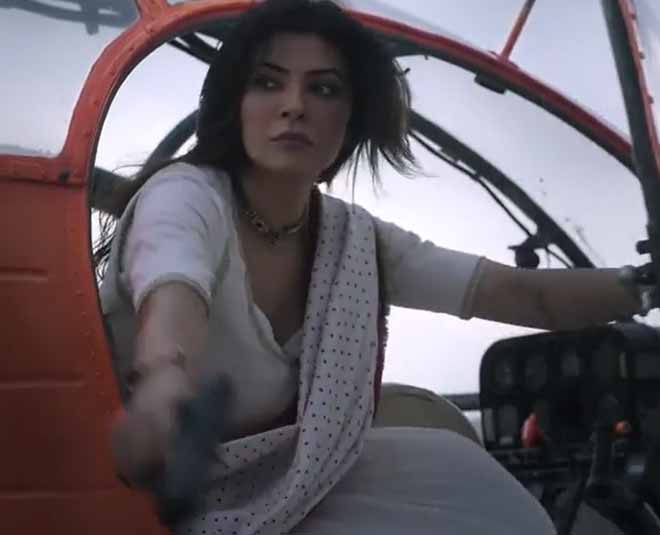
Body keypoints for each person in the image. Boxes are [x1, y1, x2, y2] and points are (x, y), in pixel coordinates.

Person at [97, 1, 647, 533]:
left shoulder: (352, 239)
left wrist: (644, 286)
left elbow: (521, 294)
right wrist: (163, 386)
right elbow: (174, 286)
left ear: (352, 117)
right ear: (232, 102)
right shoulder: (187, 196)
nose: (294, 105)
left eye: (324, 89)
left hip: (288, 487)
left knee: (475, 487)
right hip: (133, 488)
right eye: (267, 82)